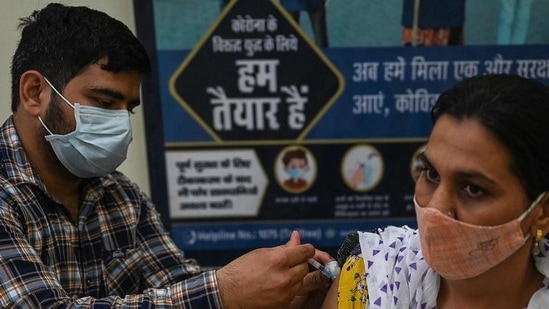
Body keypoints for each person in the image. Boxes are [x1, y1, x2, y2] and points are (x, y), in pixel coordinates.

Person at [0, 3, 334, 308]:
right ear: (34, 92)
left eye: (127, 109)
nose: (120, 125)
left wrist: (277, 295)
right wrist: (225, 291)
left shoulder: (120, 196)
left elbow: (178, 285)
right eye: (104, 103)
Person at [322, 74, 549, 308]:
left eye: (473, 189)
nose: (437, 207)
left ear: (542, 213)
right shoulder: (373, 277)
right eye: (431, 174)